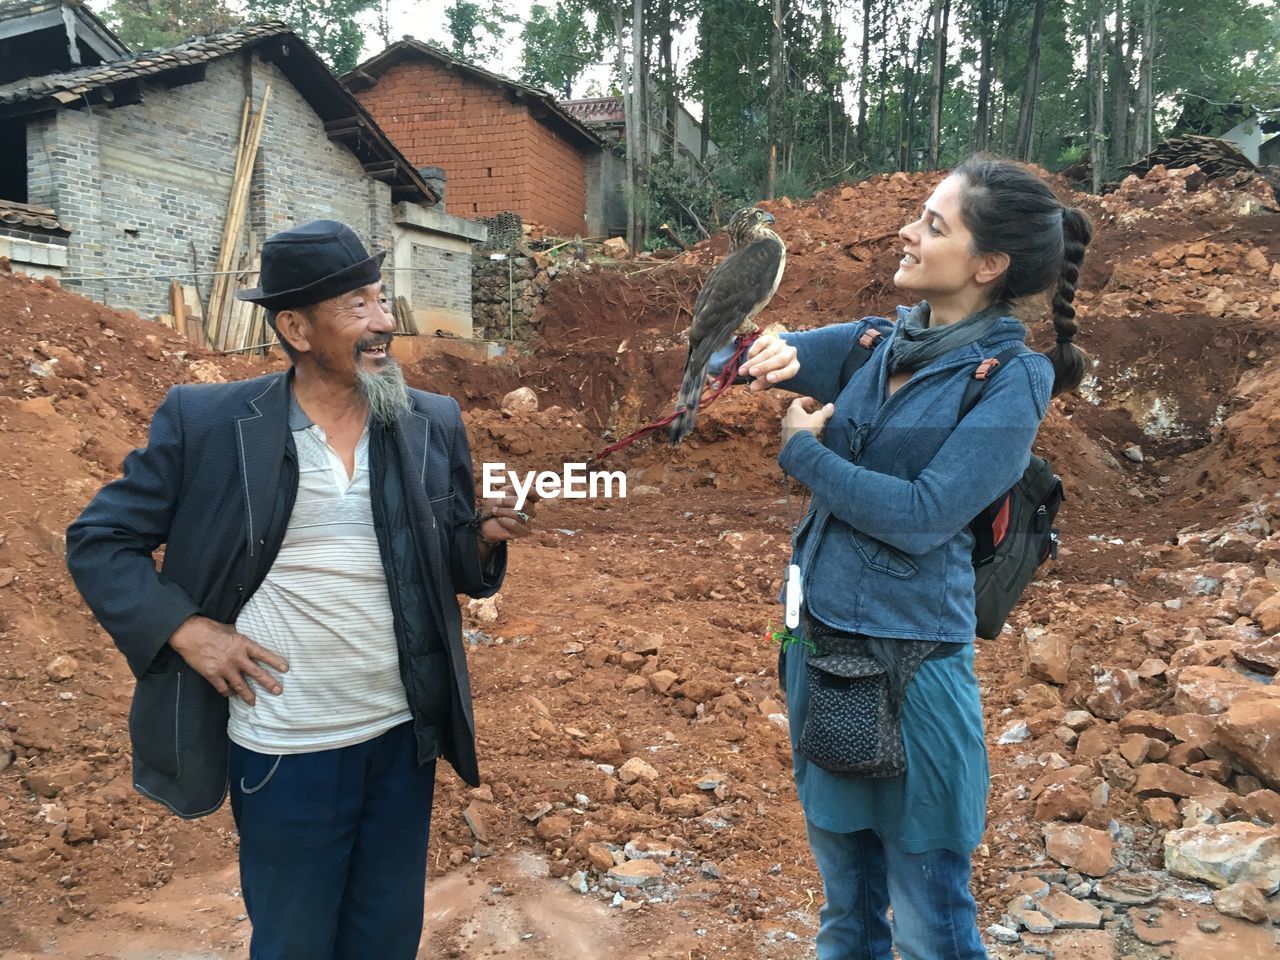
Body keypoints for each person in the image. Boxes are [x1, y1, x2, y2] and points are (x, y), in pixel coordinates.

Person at [65, 220, 534, 960]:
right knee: (294, 942)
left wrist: (478, 541)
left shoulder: (426, 420)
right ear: (295, 326)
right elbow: (99, 540)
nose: (384, 321)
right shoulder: (211, 423)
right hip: (287, 746)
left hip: (400, 736)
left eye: (382, 300)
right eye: (357, 306)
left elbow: (448, 568)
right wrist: (189, 630)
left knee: (384, 938)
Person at [737, 157, 1091, 959]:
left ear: (988, 264)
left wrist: (806, 454)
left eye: (935, 225)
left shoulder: (1012, 380)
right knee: (846, 913)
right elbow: (772, 349)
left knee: (932, 919)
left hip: (914, 670)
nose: (908, 230)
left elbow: (927, 516)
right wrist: (760, 352)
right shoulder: (875, 341)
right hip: (813, 648)